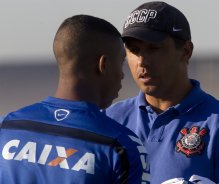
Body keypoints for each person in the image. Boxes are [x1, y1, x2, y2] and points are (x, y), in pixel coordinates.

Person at [105, 1, 219, 184]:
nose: (142, 61)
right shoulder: (111, 119)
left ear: (186, 51)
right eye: (134, 50)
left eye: (153, 49)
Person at [0, 15, 149, 183]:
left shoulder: (6, 127)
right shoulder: (121, 146)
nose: (122, 75)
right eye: (120, 63)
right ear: (104, 64)